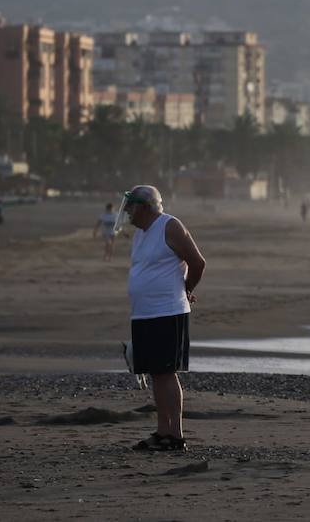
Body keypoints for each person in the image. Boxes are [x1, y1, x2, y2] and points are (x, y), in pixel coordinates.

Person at [123, 185, 205, 452]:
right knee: (156, 373)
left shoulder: (170, 226)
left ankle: (176, 435)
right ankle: (162, 431)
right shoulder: (140, 234)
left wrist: (187, 288)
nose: (127, 211)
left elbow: (197, 262)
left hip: (168, 311)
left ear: (145, 207)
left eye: (131, 205)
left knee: (166, 373)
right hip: (144, 313)